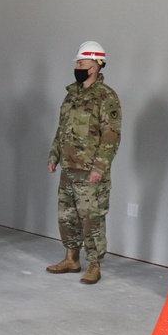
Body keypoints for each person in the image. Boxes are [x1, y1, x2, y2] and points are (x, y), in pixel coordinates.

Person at [46, 41, 123, 285]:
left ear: (96, 66)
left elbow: (111, 136)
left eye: (81, 63)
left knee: (92, 220)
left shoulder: (106, 97)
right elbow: (62, 130)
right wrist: (54, 155)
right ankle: (71, 258)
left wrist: (100, 168)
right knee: (67, 217)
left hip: (90, 171)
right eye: (77, 63)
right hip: (69, 169)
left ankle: (94, 264)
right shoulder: (71, 95)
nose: (77, 67)